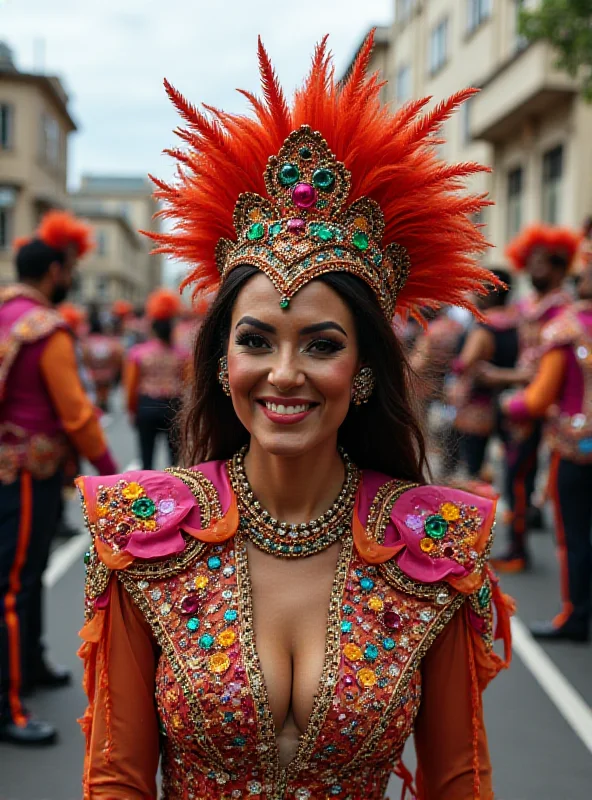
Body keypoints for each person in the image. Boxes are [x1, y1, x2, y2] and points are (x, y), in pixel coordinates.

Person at [77, 34, 512, 799]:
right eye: (255, 340)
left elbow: (456, 779)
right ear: (221, 363)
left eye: (321, 344)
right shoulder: (142, 538)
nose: (285, 373)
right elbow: (116, 778)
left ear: (365, 371)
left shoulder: (435, 548)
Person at [0, 210, 117, 746]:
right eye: (68, 270)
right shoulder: (48, 329)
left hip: (15, 469)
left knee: (25, 575)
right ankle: (9, 707)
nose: (70, 278)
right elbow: (76, 414)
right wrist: (113, 474)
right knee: (15, 584)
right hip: (28, 471)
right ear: (53, 271)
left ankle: (32, 665)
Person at [504, 260, 592, 642]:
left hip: (576, 449)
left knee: (573, 535)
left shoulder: (566, 328)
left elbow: (537, 399)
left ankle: (575, 616)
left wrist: (509, 405)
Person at [489, 224, 578, 573]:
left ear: (559, 267)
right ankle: (518, 542)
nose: (533, 269)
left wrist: (502, 377)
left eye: (541, 262)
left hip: (547, 402)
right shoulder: (529, 305)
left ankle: (519, 547)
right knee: (515, 475)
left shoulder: (562, 311)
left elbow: (548, 367)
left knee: (520, 476)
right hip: (524, 397)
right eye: (531, 261)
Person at [450, 269, 518, 479]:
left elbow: (465, 363)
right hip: (510, 404)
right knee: (509, 465)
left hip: (478, 408)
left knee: (474, 467)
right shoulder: (517, 322)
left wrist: (455, 365)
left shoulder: (483, 327)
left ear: (488, 292)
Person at [124, 288, 186, 469]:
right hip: (173, 406)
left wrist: (132, 410)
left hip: (147, 406)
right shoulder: (182, 355)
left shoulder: (138, 353)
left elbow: (131, 386)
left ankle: (146, 495)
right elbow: (187, 384)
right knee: (174, 462)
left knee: (146, 458)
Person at [81, 306, 124, 413]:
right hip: (107, 373)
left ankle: (97, 407)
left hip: (92, 374)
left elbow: (83, 359)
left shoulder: (85, 343)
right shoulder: (111, 342)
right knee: (104, 391)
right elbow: (118, 356)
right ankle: (102, 404)